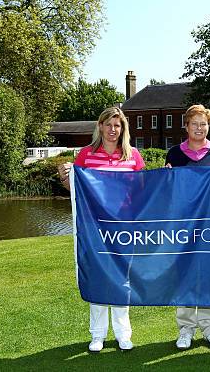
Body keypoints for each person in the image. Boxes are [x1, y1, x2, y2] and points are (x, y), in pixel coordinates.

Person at [58, 106, 145, 353]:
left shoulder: (133, 156)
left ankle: (123, 334)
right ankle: (97, 335)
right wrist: (65, 177)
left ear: (123, 129)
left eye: (117, 125)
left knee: (121, 280)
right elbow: (76, 191)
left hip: (123, 228)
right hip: (94, 228)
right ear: (100, 126)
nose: (113, 130)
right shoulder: (86, 155)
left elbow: (142, 191)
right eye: (108, 124)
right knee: (97, 278)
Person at [165, 104, 210, 350]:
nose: (199, 128)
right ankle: (186, 329)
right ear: (186, 126)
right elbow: (169, 191)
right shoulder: (174, 154)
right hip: (183, 226)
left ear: (208, 126)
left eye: (203, 124)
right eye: (195, 124)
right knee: (185, 276)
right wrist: (165, 178)